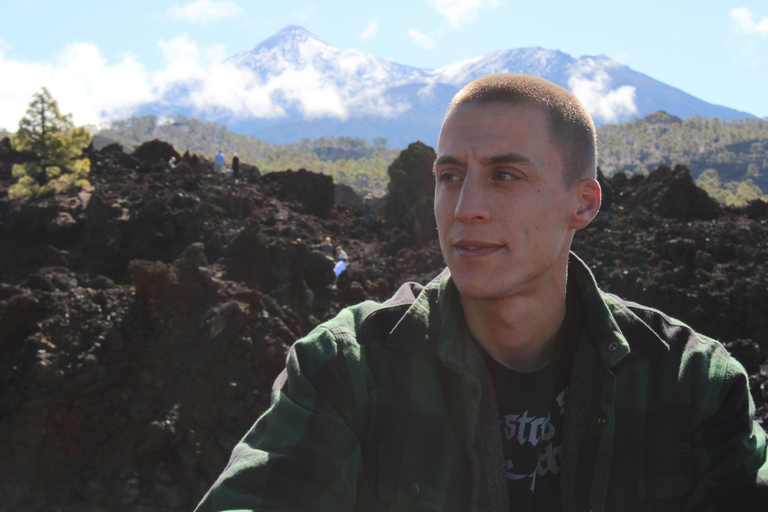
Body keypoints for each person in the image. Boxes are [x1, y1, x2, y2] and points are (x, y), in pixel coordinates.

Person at [196, 74, 768, 511]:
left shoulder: (690, 383)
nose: (466, 205)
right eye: (449, 176)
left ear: (584, 203)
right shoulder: (350, 366)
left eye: (505, 175)